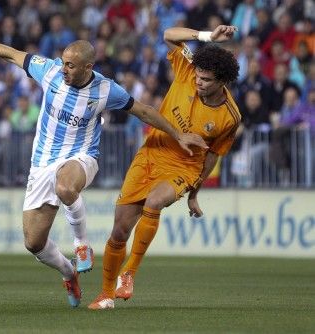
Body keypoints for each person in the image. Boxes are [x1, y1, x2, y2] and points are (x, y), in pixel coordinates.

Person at [0, 28, 207, 307]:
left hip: (82, 157)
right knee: (33, 243)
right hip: (42, 164)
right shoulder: (48, 71)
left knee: (65, 186)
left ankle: (81, 244)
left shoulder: (106, 89)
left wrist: (177, 134)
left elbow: (144, 110)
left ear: (89, 67)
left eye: (71, 65)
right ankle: (68, 272)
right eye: (63, 62)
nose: (64, 69)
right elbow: (12, 54)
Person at [88, 24, 241, 309]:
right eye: (199, 75)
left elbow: (213, 155)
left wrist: (194, 193)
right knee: (119, 231)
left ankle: (129, 274)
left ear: (222, 82)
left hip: (183, 167)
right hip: (151, 154)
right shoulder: (187, 70)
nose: (199, 82)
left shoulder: (230, 117)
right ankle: (106, 294)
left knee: (155, 202)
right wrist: (206, 37)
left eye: (207, 80)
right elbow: (168, 35)